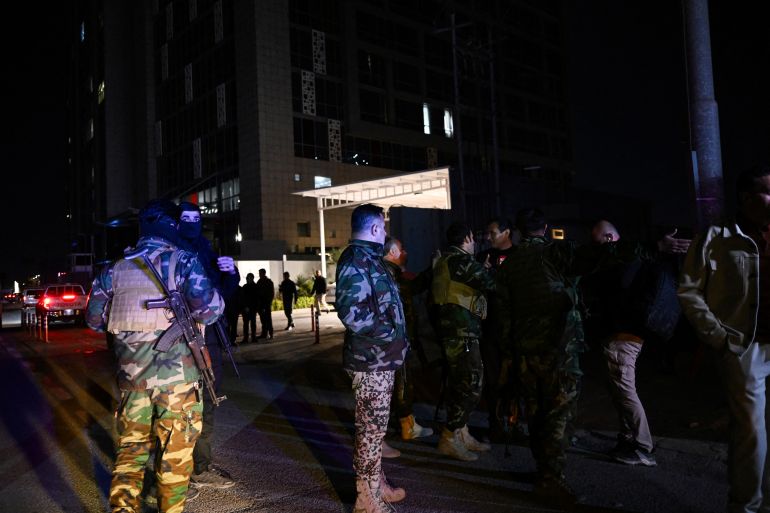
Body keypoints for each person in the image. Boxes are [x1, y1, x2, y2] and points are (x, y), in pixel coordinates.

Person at [497, 208, 689, 507]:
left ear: (518, 232)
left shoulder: (508, 266)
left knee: (535, 413)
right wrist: (653, 246)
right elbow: (604, 255)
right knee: (559, 415)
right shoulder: (556, 253)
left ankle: (543, 471)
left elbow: (503, 316)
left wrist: (509, 354)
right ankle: (551, 481)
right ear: (545, 229)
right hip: (558, 349)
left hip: (524, 352)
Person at [85, 199, 223, 513]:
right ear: (172, 228)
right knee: (175, 457)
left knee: (130, 452)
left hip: (132, 380)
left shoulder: (115, 269)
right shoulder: (184, 262)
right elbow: (211, 310)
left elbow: (94, 320)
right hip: (179, 383)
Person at [678, 164, 770, 513]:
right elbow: (688, 290)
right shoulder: (717, 236)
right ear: (748, 198)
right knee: (750, 431)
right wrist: (718, 336)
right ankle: (745, 505)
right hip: (743, 346)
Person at [336, 203, 408, 512]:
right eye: (384, 225)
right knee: (370, 432)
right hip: (371, 362)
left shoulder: (371, 260)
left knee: (375, 431)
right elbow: (352, 314)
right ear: (376, 229)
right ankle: (366, 499)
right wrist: (390, 333)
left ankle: (378, 486)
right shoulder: (356, 261)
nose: (386, 230)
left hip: (380, 360)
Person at [177, 201, 240, 489]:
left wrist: (231, 273)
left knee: (209, 404)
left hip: (211, 336)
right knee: (179, 407)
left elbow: (222, 297)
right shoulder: (172, 250)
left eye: (196, 218)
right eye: (185, 218)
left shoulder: (205, 249)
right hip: (181, 339)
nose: (192, 223)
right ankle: (176, 472)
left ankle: (200, 467)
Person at [586, 219, 658, 466]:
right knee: (620, 391)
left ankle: (642, 446)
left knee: (625, 391)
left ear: (608, 238)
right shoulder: (632, 260)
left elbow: (615, 291)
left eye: (598, 243)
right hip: (624, 334)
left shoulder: (625, 262)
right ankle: (629, 439)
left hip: (624, 335)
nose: (596, 249)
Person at [432, 221, 496, 462]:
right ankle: (449, 436)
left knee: (460, 383)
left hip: (452, 331)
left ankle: (461, 431)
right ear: (467, 240)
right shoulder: (462, 261)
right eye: (473, 239)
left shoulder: (445, 261)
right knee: (472, 384)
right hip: (462, 332)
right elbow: (491, 284)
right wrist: (487, 270)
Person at [475, 216, 523, 443]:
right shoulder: (484, 257)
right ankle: (494, 424)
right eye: (487, 233)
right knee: (492, 380)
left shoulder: (520, 257)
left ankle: (514, 423)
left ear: (507, 233)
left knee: (515, 379)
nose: (487, 237)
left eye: (492, 233)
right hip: (490, 330)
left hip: (515, 331)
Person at [383, 237, 434, 442]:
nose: (405, 253)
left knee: (397, 382)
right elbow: (411, 289)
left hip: (391, 340)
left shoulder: (384, 273)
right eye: (402, 250)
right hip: (397, 341)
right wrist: (432, 270)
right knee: (402, 382)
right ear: (393, 252)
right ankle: (407, 425)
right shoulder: (390, 275)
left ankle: (402, 422)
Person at [255, 268, 275, 339]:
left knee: (268, 319)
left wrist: (268, 303)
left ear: (264, 273)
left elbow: (271, 294)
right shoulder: (259, 282)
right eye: (259, 273)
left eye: (260, 273)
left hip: (266, 304)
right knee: (263, 320)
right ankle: (264, 334)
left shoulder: (269, 282)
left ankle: (271, 333)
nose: (260, 275)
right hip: (260, 305)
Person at [241, 272, 259, 343]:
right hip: (246, 309)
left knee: (253, 324)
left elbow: (257, 298)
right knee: (246, 324)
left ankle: (253, 337)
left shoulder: (255, 287)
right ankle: (246, 338)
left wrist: (256, 308)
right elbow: (242, 298)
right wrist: (245, 306)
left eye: (249, 278)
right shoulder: (245, 287)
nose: (248, 279)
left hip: (252, 309)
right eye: (247, 278)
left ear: (252, 278)